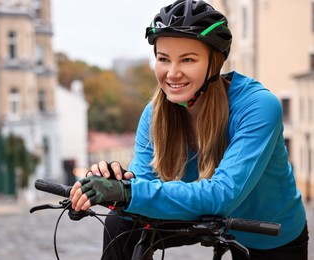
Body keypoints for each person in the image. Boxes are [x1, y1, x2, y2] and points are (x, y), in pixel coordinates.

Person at [70, 0, 309, 259]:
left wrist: (129, 192)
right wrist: (106, 189)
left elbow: (222, 194)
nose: (172, 73)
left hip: (266, 231)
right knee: (122, 225)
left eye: (188, 59)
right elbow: (143, 188)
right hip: (198, 213)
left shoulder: (258, 106)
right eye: (163, 59)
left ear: (213, 63)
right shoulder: (154, 114)